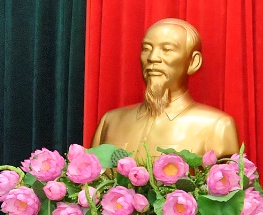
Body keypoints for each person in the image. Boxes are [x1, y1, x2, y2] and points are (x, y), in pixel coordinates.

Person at [91, 17, 241, 157]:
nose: (152, 58)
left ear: (193, 62)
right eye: (146, 49)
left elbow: (228, 174)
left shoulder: (217, 127)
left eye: (167, 49)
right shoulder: (110, 122)